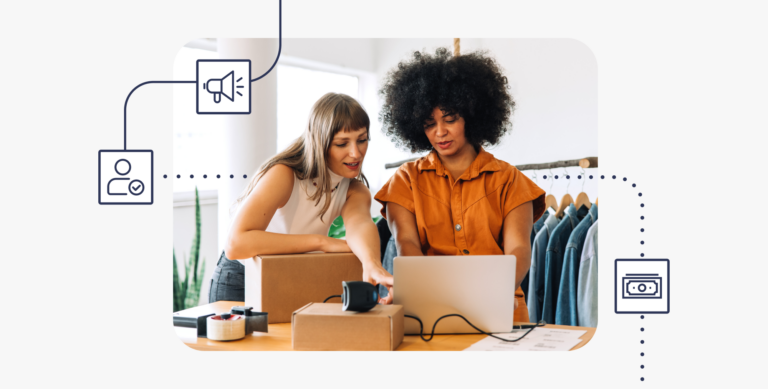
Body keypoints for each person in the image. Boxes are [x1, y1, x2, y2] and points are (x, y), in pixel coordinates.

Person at [374, 48, 546, 322]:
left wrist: (496, 291)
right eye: (429, 124)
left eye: (450, 119)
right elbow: (406, 244)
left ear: (472, 115)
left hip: (501, 308)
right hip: (431, 309)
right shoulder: (405, 180)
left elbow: (519, 250)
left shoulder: (510, 180)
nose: (440, 132)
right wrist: (432, 293)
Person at [210, 93, 394, 304]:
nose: (356, 153)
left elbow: (360, 225)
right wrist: (321, 242)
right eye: (342, 144)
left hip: (289, 271)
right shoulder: (284, 175)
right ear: (320, 143)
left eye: (362, 140)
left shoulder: (355, 190)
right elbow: (236, 244)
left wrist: (372, 265)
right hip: (241, 278)